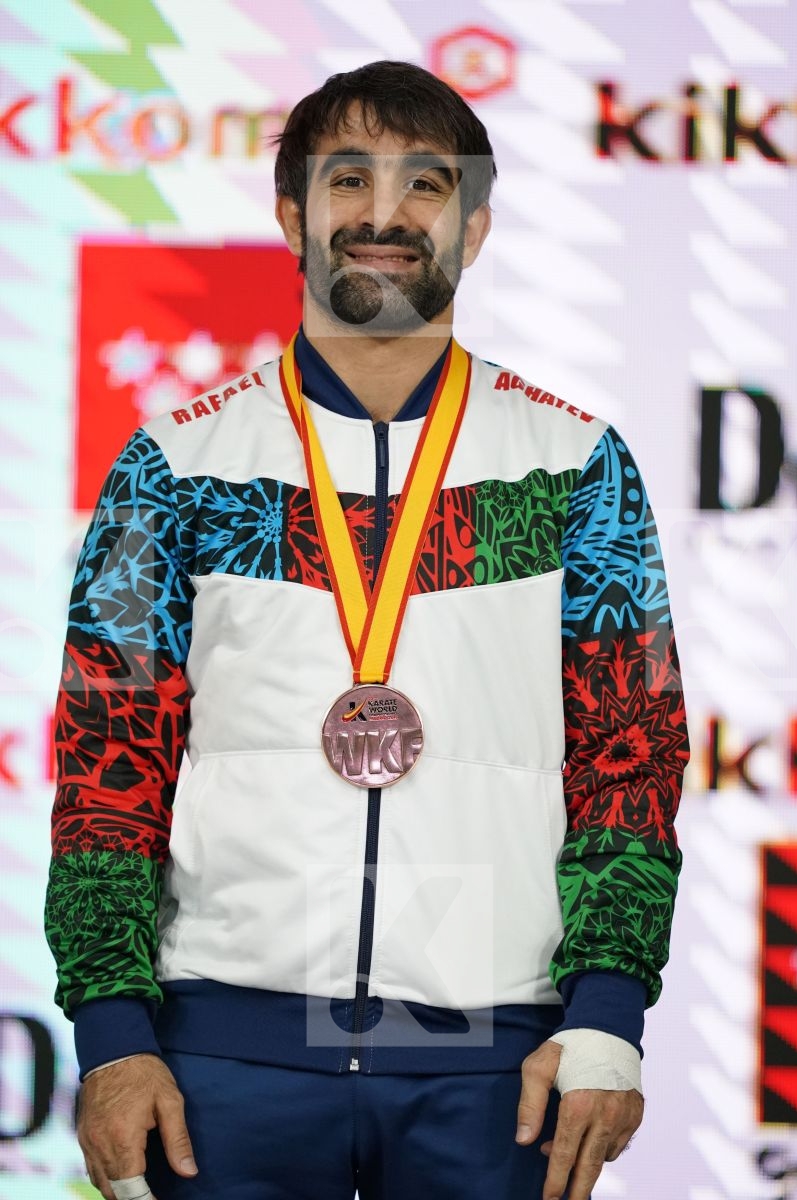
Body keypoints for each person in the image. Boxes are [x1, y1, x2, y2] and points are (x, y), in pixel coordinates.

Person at [45, 60, 689, 1200]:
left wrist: (605, 1016)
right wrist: (111, 1032)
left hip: (498, 1056)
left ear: (474, 227)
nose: (383, 215)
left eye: (424, 186)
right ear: (291, 212)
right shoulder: (177, 468)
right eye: (348, 178)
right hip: (221, 1058)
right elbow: (108, 768)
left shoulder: (571, 466)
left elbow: (627, 753)